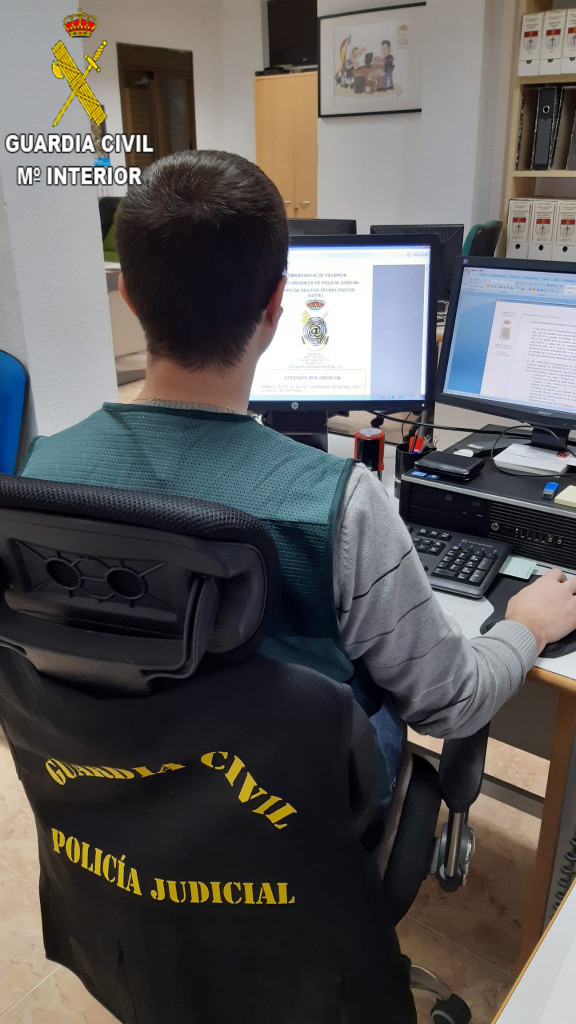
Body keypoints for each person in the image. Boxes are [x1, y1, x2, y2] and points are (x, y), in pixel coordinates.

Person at [21, 150, 576, 807]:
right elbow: (451, 704)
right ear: (278, 304)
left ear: (130, 297)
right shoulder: (342, 506)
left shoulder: (40, 478)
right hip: (290, 827)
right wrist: (526, 626)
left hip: (112, 807)